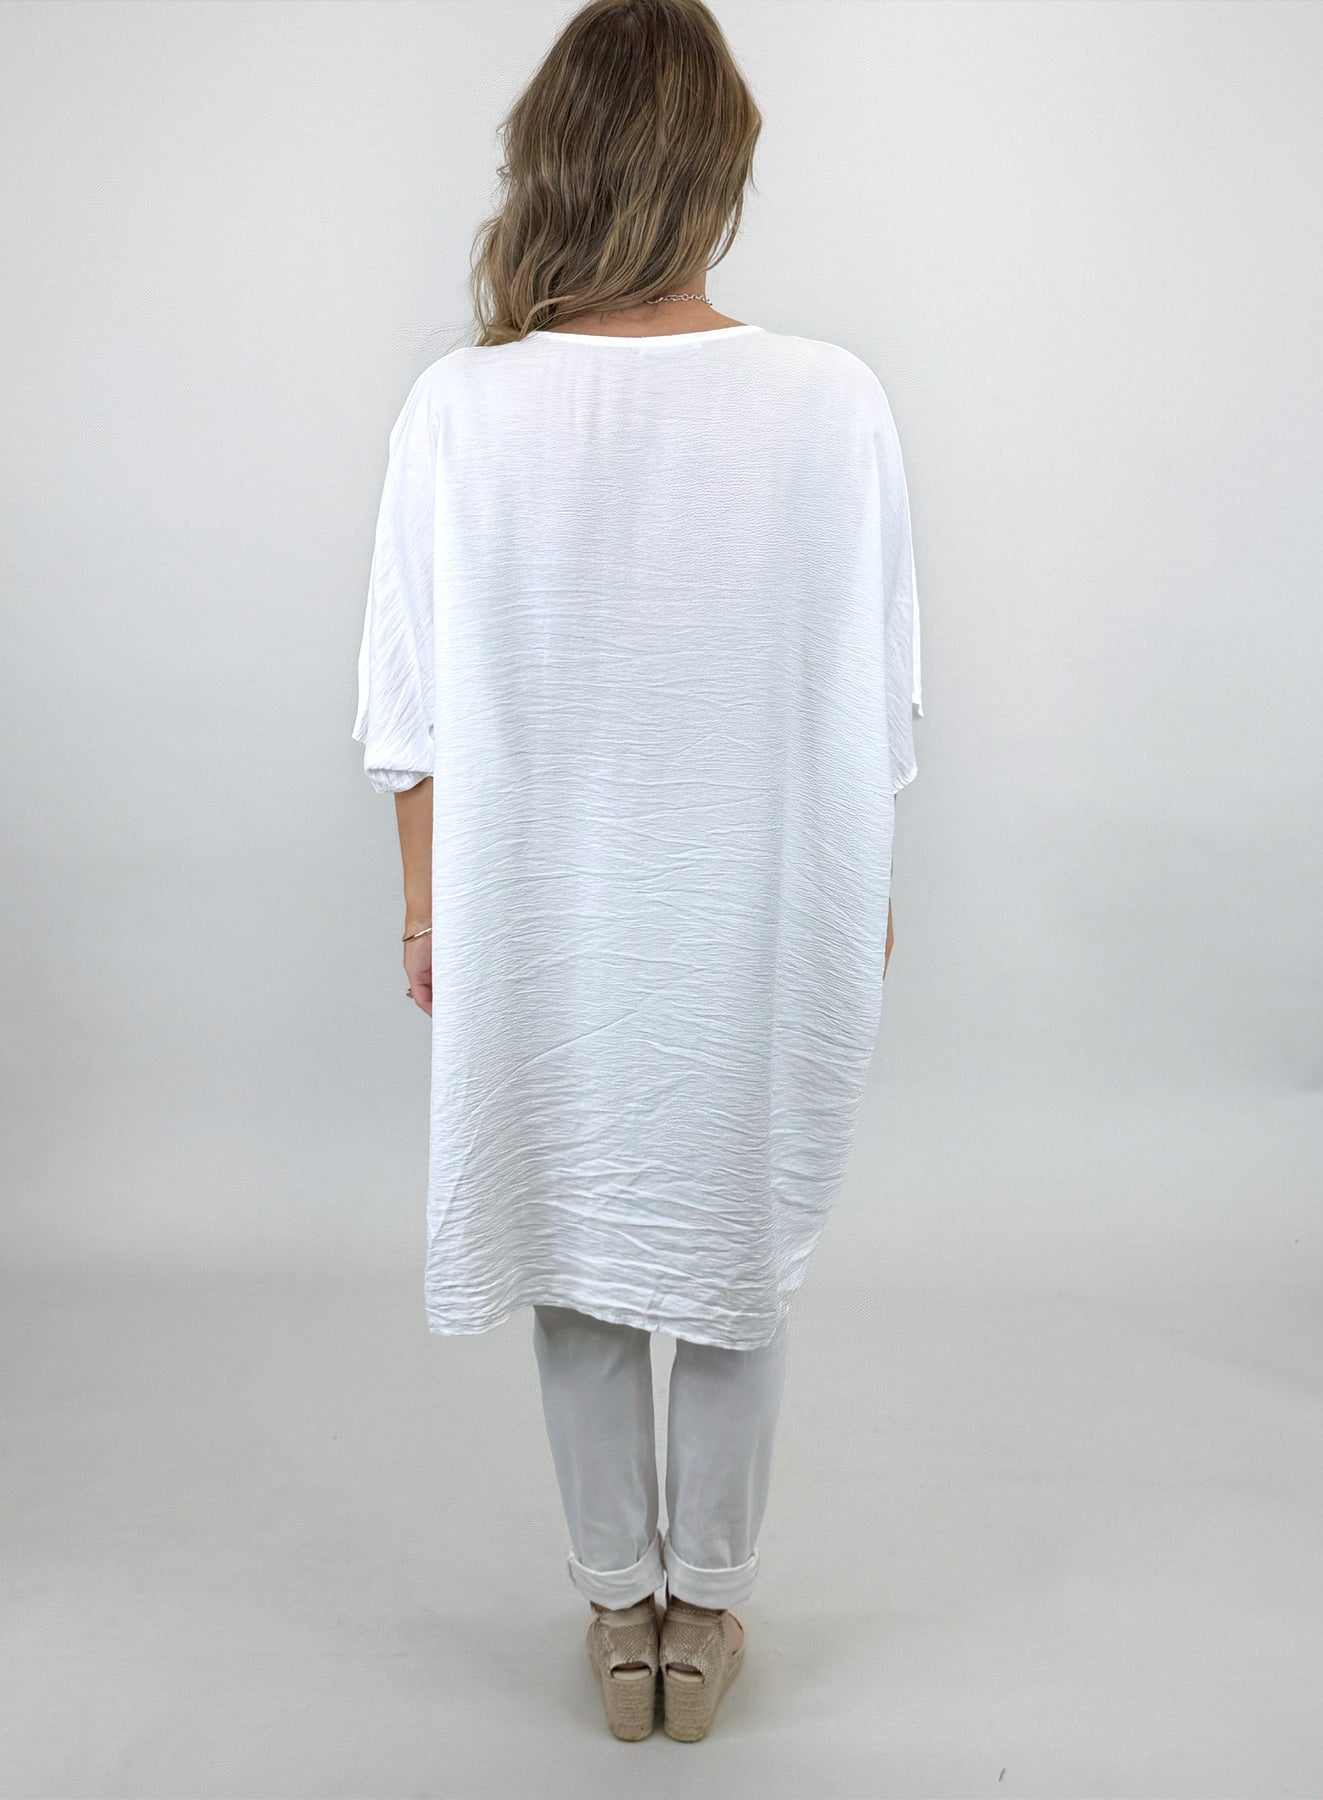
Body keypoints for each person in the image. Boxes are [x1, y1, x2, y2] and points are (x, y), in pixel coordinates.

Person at [352, 0, 922, 1744]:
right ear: (716, 170)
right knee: (731, 1231)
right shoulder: (829, 401)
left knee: (574, 1229)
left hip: (538, 910)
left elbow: (407, 710)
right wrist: (862, 899)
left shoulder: (462, 407)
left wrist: (429, 908)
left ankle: (622, 1613)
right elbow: (873, 695)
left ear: (557, 160)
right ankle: (705, 1609)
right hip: (755, 903)